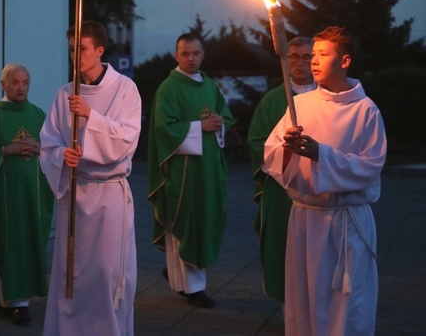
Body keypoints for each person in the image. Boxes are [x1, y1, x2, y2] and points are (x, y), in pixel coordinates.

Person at [264, 26, 386, 335]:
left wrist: (322, 155)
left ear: (345, 61)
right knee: (304, 299)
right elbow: (271, 156)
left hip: (346, 223)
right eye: (312, 54)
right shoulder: (300, 105)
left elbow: (370, 165)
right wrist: (287, 149)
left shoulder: (365, 111)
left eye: (322, 54)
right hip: (306, 220)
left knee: (346, 302)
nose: (313, 61)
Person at [40, 21, 141, 336]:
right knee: (72, 274)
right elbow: (49, 142)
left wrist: (90, 116)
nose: (75, 55)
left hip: (108, 195)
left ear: (99, 50)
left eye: (81, 49)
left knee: (105, 273)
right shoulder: (65, 93)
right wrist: (62, 157)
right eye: (71, 49)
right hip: (76, 192)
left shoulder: (125, 89)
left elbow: (127, 139)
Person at [147, 33, 234, 309]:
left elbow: (226, 116)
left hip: (209, 169)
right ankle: (193, 287)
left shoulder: (209, 85)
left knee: (204, 220)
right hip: (183, 171)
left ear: (203, 54)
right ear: (176, 55)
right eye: (185, 53)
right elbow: (164, 128)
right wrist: (200, 127)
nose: (191, 58)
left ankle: (179, 278)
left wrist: (220, 123)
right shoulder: (169, 88)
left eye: (196, 53)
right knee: (186, 222)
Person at [0, 63, 53, 325]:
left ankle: (14, 298)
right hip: (3, 195)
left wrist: (41, 148)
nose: (21, 87)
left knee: (29, 242)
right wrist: (8, 150)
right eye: (16, 82)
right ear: (3, 85)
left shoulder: (39, 114)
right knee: (6, 243)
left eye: (26, 82)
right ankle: (12, 301)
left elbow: (54, 148)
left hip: (34, 195)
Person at [247, 36, 316, 302]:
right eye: (294, 57)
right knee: (285, 249)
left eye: (307, 57)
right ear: (285, 61)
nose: (300, 63)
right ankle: (292, 312)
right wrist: (284, 156)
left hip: (319, 187)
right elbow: (256, 142)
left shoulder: (327, 98)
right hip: (281, 190)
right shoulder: (273, 100)